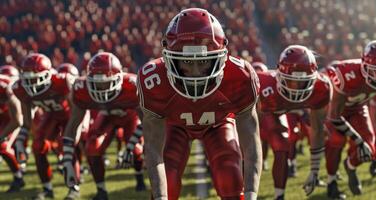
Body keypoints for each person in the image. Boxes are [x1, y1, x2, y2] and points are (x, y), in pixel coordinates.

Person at [138, 8, 262, 200]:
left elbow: (251, 145)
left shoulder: (240, 77)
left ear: (221, 57)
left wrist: (252, 194)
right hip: (175, 125)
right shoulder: (154, 80)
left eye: (204, 62)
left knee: (230, 173)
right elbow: (154, 152)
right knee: (168, 178)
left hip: (218, 124)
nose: (195, 72)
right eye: (186, 62)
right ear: (168, 57)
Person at [62, 52, 145, 200]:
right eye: (97, 83)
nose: (101, 87)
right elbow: (73, 124)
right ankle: (101, 190)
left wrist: (131, 145)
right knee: (91, 147)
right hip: (108, 117)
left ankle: (139, 178)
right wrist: (67, 157)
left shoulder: (133, 85)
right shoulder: (81, 88)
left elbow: (148, 122)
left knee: (137, 150)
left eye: (106, 82)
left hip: (130, 118)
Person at [325, 40, 376, 199]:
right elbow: (335, 117)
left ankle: (350, 166)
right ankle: (332, 183)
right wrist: (358, 141)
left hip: (358, 108)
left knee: (370, 149)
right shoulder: (346, 74)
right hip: (333, 110)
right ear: (364, 66)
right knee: (337, 141)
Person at [257, 45, 330, 199]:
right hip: (268, 113)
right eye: (291, 82)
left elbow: (317, 131)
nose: (296, 88)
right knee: (279, 144)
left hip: (282, 111)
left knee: (287, 142)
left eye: (302, 82)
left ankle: (279, 196)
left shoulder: (321, 87)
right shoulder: (263, 86)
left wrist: (314, 171)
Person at [12, 53, 81, 200]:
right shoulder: (21, 88)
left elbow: (77, 110)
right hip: (51, 115)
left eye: (34, 78)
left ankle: (74, 188)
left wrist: (76, 129)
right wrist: (21, 137)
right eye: (27, 78)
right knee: (37, 146)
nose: (31, 83)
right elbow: (27, 119)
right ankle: (47, 189)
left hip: (69, 115)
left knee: (68, 146)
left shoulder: (62, 82)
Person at [0, 65, 24, 193]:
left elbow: (17, 120)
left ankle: (18, 177)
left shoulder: (5, 86)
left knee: (2, 145)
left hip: (12, 117)